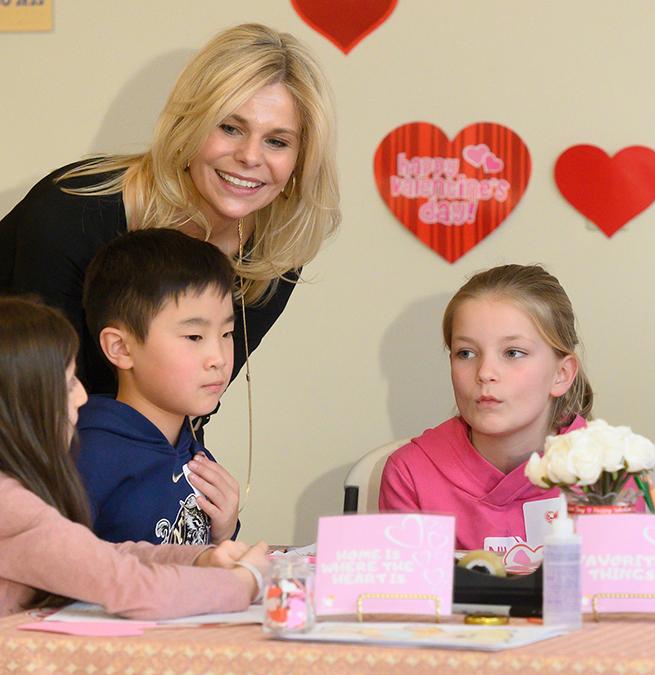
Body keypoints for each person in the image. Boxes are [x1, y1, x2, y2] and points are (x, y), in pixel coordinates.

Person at [0, 23, 340, 397]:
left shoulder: (274, 253)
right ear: (189, 125)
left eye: (277, 141)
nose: (249, 157)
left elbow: (192, 401)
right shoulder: (70, 212)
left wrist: (191, 458)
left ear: (301, 159)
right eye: (229, 127)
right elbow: (35, 406)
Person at [0, 296, 268, 619]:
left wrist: (200, 558)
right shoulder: (11, 505)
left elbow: (99, 556)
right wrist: (245, 582)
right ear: (24, 403)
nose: (82, 396)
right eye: (69, 383)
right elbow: (131, 586)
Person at [379, 265, 591, 550]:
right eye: (466, 353)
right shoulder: (411, 472)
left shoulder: (610, 472)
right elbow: (405, 593)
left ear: (561, 374)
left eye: (513, 353)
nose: (485, 372)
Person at [76, 229, 240, 545]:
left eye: (227, 334)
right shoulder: (87, 457)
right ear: (121, 348)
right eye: (194, 337)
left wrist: (225, 529)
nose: (218, 358)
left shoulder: (193, 452)